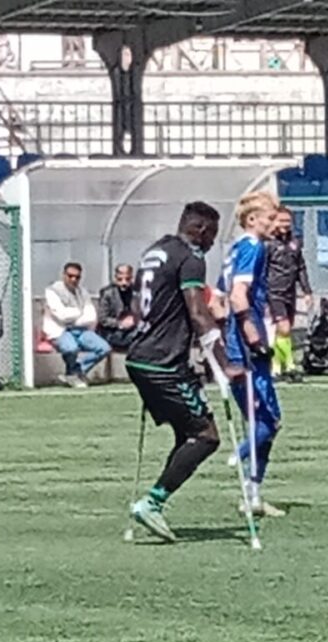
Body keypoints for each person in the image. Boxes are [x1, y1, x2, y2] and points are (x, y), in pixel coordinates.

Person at [123, 202, 232, 542]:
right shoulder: (191, 258)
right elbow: (198, 313)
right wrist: (225, 364)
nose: (213, 242)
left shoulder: (155, 252)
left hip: (141, 356)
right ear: (200, 229)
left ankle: (155, 500)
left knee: (186, 434)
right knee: (206, 436)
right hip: (163, 363)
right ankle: (152, 503)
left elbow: (138, 307)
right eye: (212, 234)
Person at [217, 191, 285, 518]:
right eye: (270, 218)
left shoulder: (233, 251)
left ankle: (253, 495)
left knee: (263, 420)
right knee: (267, 421)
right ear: (252, 220)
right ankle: (240, 455)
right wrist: (249, 331)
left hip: (235, 342)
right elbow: (237, 296)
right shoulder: (252, 247)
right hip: (246, 345)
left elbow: (216, 298)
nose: (276, 224)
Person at [42, 261, 110, 387]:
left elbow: (91, 316)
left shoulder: (82, 292)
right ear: (63, 275)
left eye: (77, 277)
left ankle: (75, 372)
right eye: (70, 276)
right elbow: (61, 315)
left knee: (104, 348)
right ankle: (73, 374)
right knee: (71, 348)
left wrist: (73, 317)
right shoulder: (52, 291)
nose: (73, 279)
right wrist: (79, 312)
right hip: (60, 331)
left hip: (80, 330)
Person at [264, 205, 312, 382]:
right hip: (273, 292)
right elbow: (262, 270)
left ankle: (276, 367)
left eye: (287, 221)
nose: (285, 224)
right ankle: (290, 365)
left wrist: (307, 291)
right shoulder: (268, 243)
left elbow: (300, 267)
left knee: (283, 332)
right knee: (283, 328)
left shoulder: (295, 242)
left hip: (289, 292)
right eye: (281, 220)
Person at [96, 264, 138, 351]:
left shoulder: (135, 292)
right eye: (120, 279)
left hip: (131, 329)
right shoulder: (108, 293)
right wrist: (120, 324)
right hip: (111, 331)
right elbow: (103, 319)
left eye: (127, 279)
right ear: (115, 278)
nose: (124, 283)